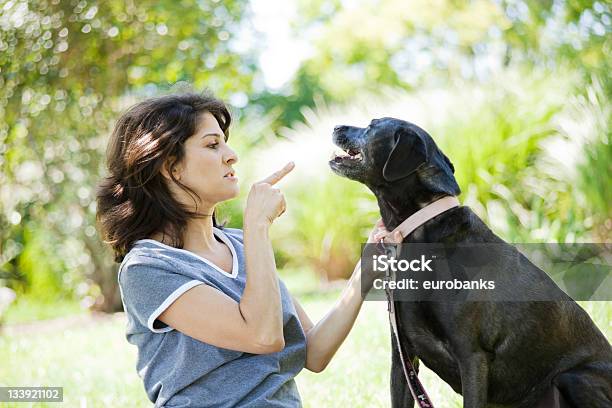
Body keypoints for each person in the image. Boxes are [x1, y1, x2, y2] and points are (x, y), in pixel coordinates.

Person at [95, 91, 402, 407]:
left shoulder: (241, 245)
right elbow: (263, 336)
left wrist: (366, 271)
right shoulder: (148, 268)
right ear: (171, 167)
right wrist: (258, 227)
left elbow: (313, 352)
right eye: (213, 145)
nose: (231, 155)